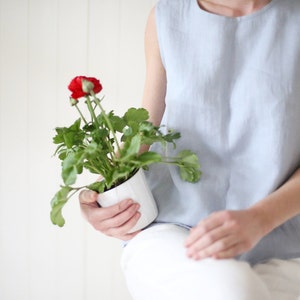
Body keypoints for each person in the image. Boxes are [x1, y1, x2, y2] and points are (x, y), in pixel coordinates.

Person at [79, 0, 300, 299]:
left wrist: (259, 219)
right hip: (175, 231)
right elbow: (144, 131)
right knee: (232, 291)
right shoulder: (166, 16)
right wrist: (101, 196)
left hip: (285, 240)